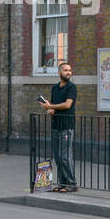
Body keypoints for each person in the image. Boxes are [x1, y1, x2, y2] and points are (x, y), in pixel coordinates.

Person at [39, 61, 78, 193]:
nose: (68, 72)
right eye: (66, 70)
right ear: (59, 72)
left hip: (67, 126)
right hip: (56, 125)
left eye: (70, 70)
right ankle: (62, 183)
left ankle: (72, 183)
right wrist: (50, 110)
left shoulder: (72, 87)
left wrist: (50, 106)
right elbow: (55, 106)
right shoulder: (55, 88)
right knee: (58, 156)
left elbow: (67, 105)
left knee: (65, 156)